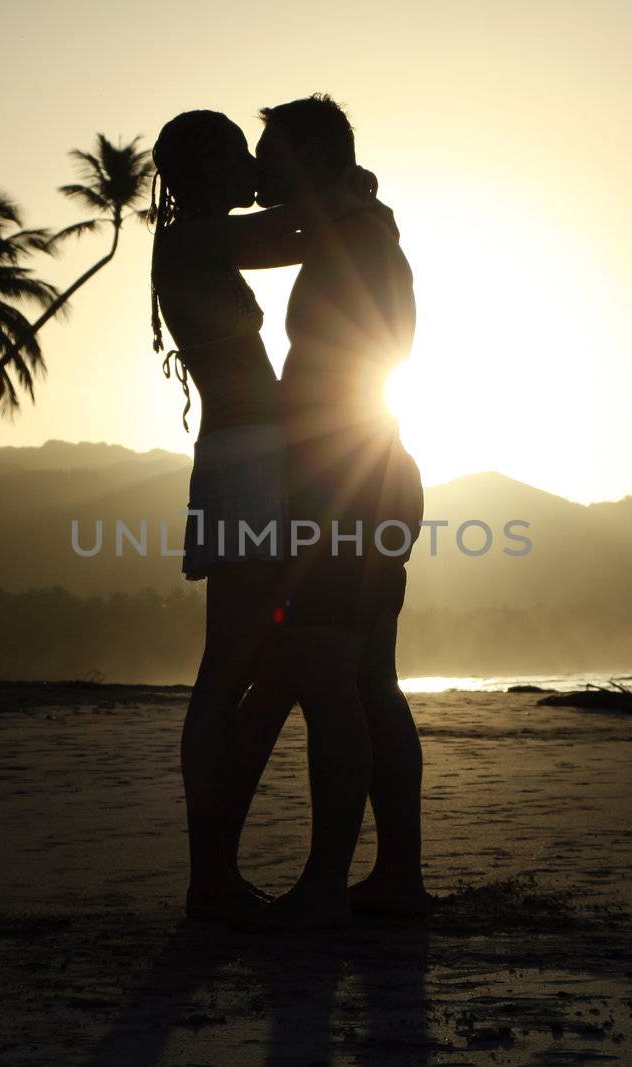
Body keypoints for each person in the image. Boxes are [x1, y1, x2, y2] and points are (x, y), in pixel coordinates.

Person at [147, 110, 375, 922]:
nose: (250, 165)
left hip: (253, 460)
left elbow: (302, 230)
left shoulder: (200, 237)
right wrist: (351, 197)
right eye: (238, 155)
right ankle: (209, 875)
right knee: (229, 670)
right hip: (246, 463)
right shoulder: (196, 241)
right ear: (205, 169)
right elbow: (302, 232)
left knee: (261, 668)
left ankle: (219, 870)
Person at [241, 94, 430, 931]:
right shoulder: (358, 227)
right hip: (376, 470)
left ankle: (327, 883)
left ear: (310, 156)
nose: (257, 171)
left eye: (268, 155)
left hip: (345, 480)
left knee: (332, 681)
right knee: (366, 682)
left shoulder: (353, 234)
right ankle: (393, 875)